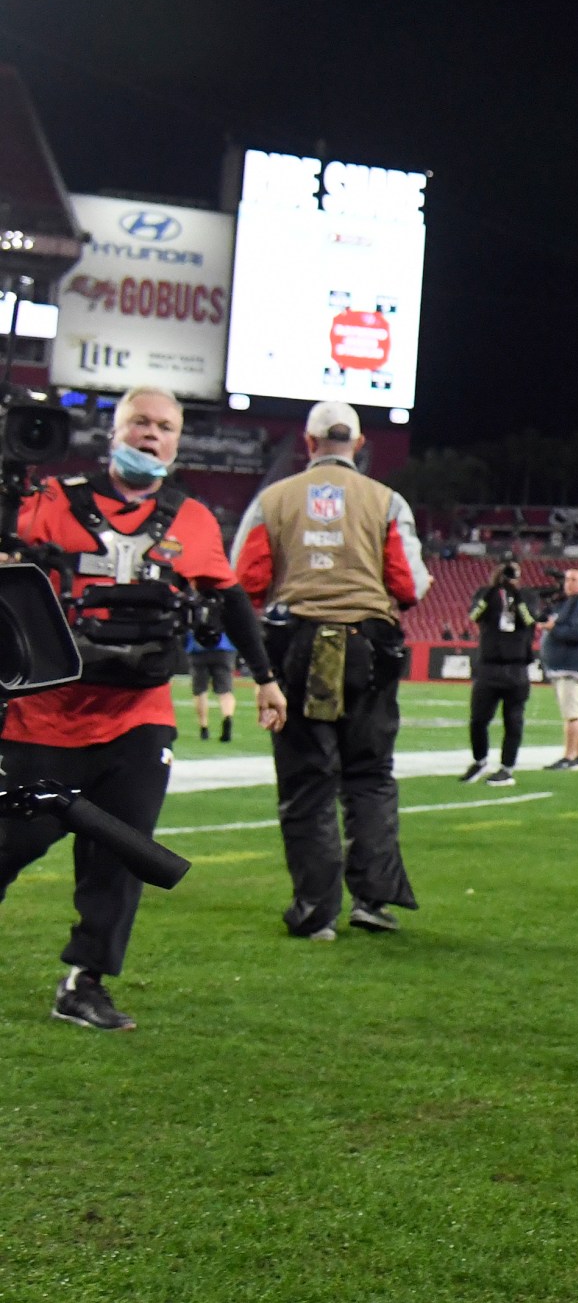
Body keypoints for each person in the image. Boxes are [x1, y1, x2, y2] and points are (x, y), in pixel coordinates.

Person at [0, 388, 284, 1028]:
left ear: (178, 441)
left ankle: (86, 980)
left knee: (122, 852)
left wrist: (265, 676)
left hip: (138, 714)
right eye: (140, 422)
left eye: (165, 427)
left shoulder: (195, 520)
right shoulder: (47, 503)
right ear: (114, 431)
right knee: (11, 843)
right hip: (43, 712)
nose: (151, 435)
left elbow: (232, 599)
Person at [234, 401, 433, 939]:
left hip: (295, 643)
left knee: (306, 781)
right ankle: (373, 899)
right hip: (368, 645)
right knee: (369, 775)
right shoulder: (387, 501)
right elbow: (411, 586)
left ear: (308, 442)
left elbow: (244, 580)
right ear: (359, 444)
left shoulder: (271, 500)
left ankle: (315, 910)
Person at [461, 558, 537, 787]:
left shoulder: (527, 596)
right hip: (489, 667)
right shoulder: (486, 594)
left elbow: (529, 620)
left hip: (516, 668)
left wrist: (515, 595)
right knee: (478, 720)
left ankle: (507, 767)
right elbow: (473, 615)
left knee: (513, 721)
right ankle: (480, 760)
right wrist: (494, 590)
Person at [539, 569, 578, 771]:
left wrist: (552, 628)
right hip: (569, 665)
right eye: (566, 579)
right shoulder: (575, 602)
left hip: (572, 665)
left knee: (572, 714)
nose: (568, 583)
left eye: (574, 579)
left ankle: (569, 756)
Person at [187, 626, 239, 742]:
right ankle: (227, 716)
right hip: (223, 646)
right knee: (225, 691)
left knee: (200, 691)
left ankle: (204, 727)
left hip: (198, 646)